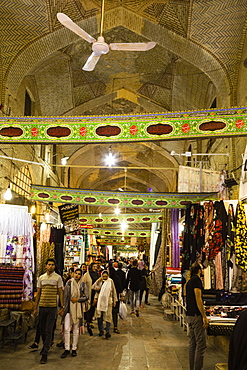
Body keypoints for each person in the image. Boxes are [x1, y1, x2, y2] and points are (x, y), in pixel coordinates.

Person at [34, 258, 64, 364]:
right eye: (49, 264)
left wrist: (62, 306)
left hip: (52, 307)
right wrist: (35, 307)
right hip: (42, 306)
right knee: (42, 329)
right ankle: (46, 345)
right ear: (46, 265)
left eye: (52, 264)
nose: (50, 266)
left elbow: (60, 293)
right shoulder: (41, 278)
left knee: (49, 329)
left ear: (54, 266)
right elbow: (38, 293)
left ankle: (45, 353)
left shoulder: (58, 278)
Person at [185, 262, 209, 370]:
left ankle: (192, 368)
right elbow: (198, 298)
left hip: (189, 315)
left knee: (192, 344)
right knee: (201, 345)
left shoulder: (189, 281)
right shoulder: (196, 281)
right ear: (199, 270)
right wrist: (204, 316)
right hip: (196, 316)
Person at [61, 268, 88, 358]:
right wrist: (63, 307)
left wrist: (78, 299)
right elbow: (65, 296)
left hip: (78, 309)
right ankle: (66, 348)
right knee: (67, 329)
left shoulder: (83, 285)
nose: (77, 275)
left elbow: (86, 297)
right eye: (75, 273)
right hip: (68, 309)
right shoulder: (69, 283)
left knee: (76, 330)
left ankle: (74, 348)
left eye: (79, 274)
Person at [92, 270, 117, 339]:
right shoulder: (100, 282)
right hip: (100, 301)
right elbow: (93, 287)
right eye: (103, 276)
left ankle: (107, 331)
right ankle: (101, 330)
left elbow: (113, 290)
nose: (105, 277)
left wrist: (115, 300)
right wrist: (98, 280)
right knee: (99, 316)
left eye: (106, 276)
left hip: (108, 301)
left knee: (108, 317)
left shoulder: (110, 281)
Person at [82, 262, 99, 335]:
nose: (95, 268)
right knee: (87, 307)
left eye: (96, 266)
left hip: (95, 293)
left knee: (93, 306)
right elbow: (83, 283)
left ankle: (90, 320)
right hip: (88, 293)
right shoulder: (87, 275)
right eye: (94, 266)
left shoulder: (97, 274)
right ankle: (87, 320)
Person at [108, 265, 123, 334]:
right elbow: (120, 287)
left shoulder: (108, 279)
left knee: (109, 312)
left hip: (110, 297)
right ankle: (115, 326)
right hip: (116, 297)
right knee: (114, 312)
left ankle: (108, 325)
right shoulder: (117, 278)